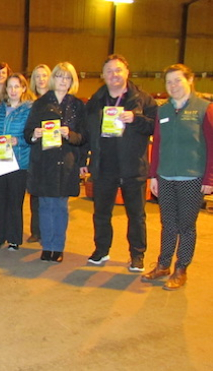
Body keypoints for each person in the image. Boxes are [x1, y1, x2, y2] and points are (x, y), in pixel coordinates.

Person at [80, 55, 157, 272]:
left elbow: (156, 127)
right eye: (109, 71)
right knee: (101, 213)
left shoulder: (142, 99)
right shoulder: (95, 102)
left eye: (118, 70)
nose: (114, 74)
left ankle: (137, 255)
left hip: (133, 167)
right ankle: (101, 250)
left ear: (127, 73)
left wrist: (136, 119)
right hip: (104, 167)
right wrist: (85, 160)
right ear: (103, 76)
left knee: (136, 215)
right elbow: (86, 133)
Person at [141, 64, 213, 290]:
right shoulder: (162, 111)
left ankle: (181, 268)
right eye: (169, 82)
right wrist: (153, 175)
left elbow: (211, 146)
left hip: (192, 178)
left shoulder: (204, 109)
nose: (173, 86)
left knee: (186, 225)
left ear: (189, 81)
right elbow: (158, 144)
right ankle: (163, 265)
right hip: (165, 176)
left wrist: (209, 179)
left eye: (177, 80)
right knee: (167, 223)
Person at [24, 62, 86, 263]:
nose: (63, 81)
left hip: (66, 162)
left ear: (72, 82)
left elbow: (84, 138)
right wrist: (35, 134)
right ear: (54, 79)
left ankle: (58, 247)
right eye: (60, 76)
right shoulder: (40, 104)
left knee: (60, 206)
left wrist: (71, 135)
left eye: (67, 77)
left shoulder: (77, 105)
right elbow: (27, 133)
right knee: (45, 205)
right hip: (44, 161)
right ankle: (47, 245)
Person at [0, 73, 35, 251]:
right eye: (10, 86)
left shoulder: (30, 109)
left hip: (19, 162)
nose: (13, 90)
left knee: (15, 201)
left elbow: (32, 135)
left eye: (17, 86)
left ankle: (14, 239)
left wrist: (18, 141)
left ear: (23, 88)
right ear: (5, 89)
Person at [27, 64, 52, 243]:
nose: (41, 79)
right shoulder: (28, 101)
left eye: (44, 76)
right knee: (34, 192)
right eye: (37, 76)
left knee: (50, 193)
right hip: (32, 150)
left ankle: (49, 229)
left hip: (52, 151)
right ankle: (36, 231)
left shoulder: (56, 99)